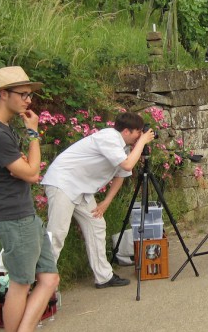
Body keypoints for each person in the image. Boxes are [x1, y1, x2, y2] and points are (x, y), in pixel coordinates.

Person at [0, 66, 60, 332]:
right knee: (21, 283)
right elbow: (31, 173)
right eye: (23, 94)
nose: (28, 100)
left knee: (49, 278)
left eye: (29, 94)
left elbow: (25, 169)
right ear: (3, 95)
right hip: (14, 217)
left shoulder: (1, 128)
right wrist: (34, 135)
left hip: (23, 214)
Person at [43, 111, 155, 288]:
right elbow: (127, 164)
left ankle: (103, 277)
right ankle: (44, 283)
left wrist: (106, 202)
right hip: (63, 182)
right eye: (138, 132)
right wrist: (141, 143)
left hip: (81, 188)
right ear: (126, 131)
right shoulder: (109, 138)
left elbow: (122, 174)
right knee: (57, 233)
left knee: (96, 225)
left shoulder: (123, 147)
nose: (139, 136)